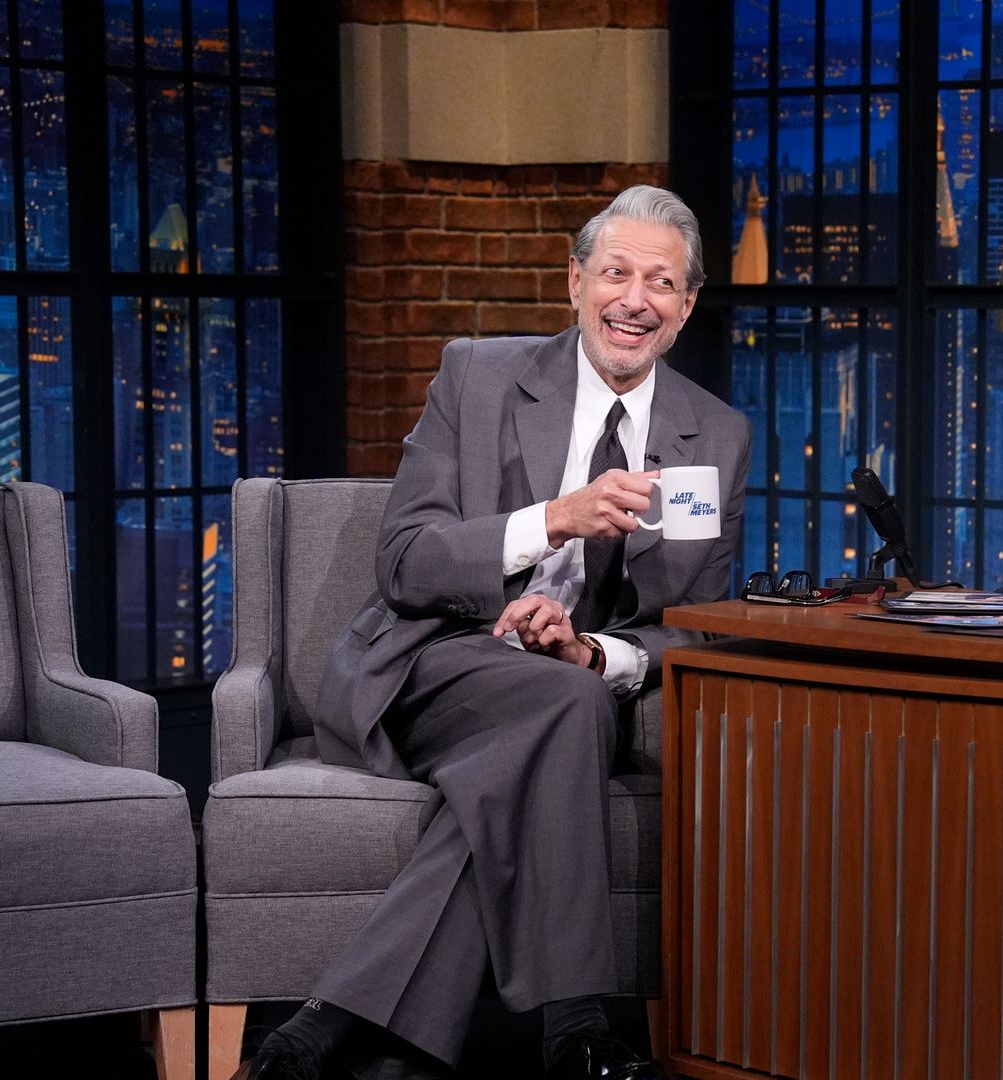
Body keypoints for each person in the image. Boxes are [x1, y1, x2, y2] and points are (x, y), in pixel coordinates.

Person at [241, 186, 751, 1080]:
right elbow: (404, 562)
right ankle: (578, 1028)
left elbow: (696, 632)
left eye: (661, 283)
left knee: (567, 700)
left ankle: (330, 1030)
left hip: (565, 694)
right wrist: (551, 519)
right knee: (566, 711)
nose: (635, 299)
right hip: (433, 665)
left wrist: (596, 651)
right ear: (574, 281)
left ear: (687, 307)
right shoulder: (477, 377)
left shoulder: (718, 436)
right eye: (616, 273)